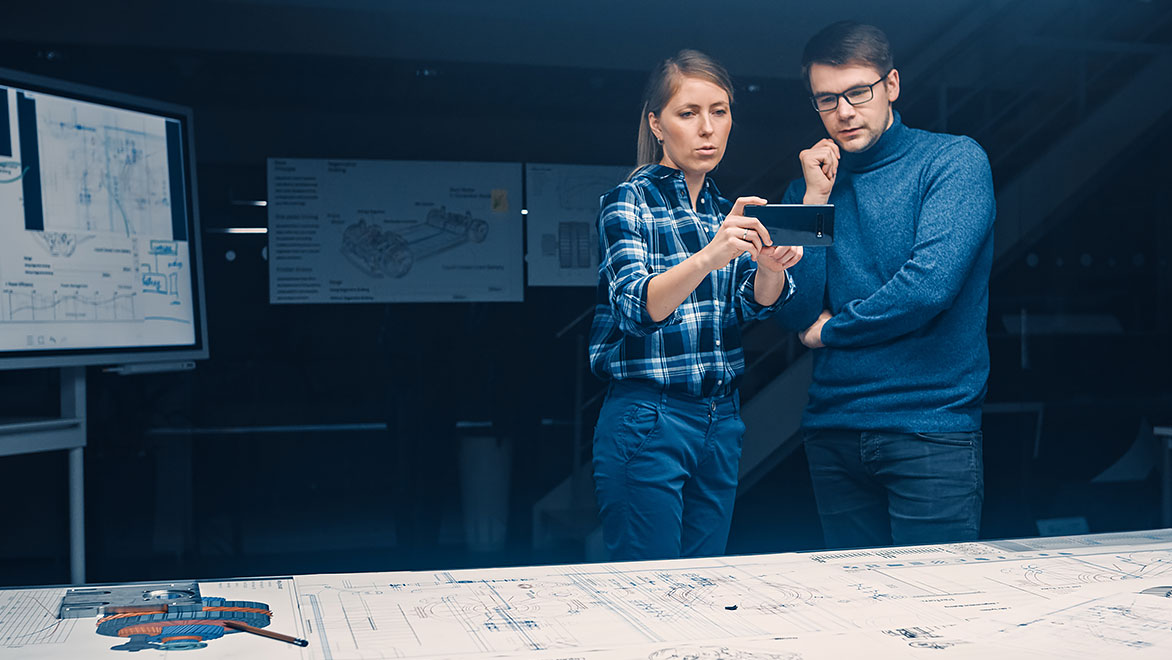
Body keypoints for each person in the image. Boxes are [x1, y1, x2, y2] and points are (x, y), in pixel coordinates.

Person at [774, 21, 996, 549]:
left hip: (930, 428)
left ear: (891, 85)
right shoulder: (806, 188)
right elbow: (794, 312)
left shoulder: (954, 161)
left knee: (939, 612)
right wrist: (813, 200)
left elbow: (928, 288)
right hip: (832, 430)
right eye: (827, 100)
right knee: (857, 618)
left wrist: (835, 332)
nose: (844, 112)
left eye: (858, 92)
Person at [588, 49, 804, 561]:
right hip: (649, 415)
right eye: (688, 113)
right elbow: (636, 308)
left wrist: (771, 268)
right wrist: (711, 255)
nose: (707, 128)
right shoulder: (628, 200)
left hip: (721, 418)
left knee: (704, 593)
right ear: (657, 124)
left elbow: (754, 309)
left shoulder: (719, 208)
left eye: (720, 111)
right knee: (650, 595)